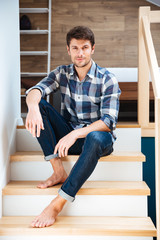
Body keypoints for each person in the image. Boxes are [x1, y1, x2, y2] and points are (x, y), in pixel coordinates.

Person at [25, 26, 121, 228]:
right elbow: (37, 89)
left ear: (92, 48)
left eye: (85, 47)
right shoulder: (62, 73)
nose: (80, 53)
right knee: (40, 104)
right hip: (71, 137)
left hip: (99, 139)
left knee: (94, 137)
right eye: (75, 48)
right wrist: (32, 106)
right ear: (68, 50)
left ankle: (58, 203)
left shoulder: (107, 78)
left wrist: (77, 133)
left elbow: (108, 122)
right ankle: (58, 171)